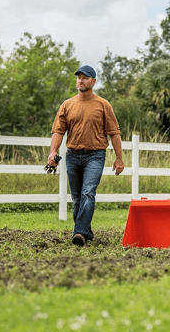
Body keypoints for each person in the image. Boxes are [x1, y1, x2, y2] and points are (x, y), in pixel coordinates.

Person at [48, 64, 125, 246]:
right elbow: (58, 131)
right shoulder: (67, 105)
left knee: (88, 193)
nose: (80, 80)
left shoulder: (103, 105)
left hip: (95, 156)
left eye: (84, 77)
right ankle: (86, 231)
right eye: (78, 77)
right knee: (77, 200)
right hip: (73, 155)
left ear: (93, 81)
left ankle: (80, 233)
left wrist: (119, 159)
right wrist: (53, 152)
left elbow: (114, 133)